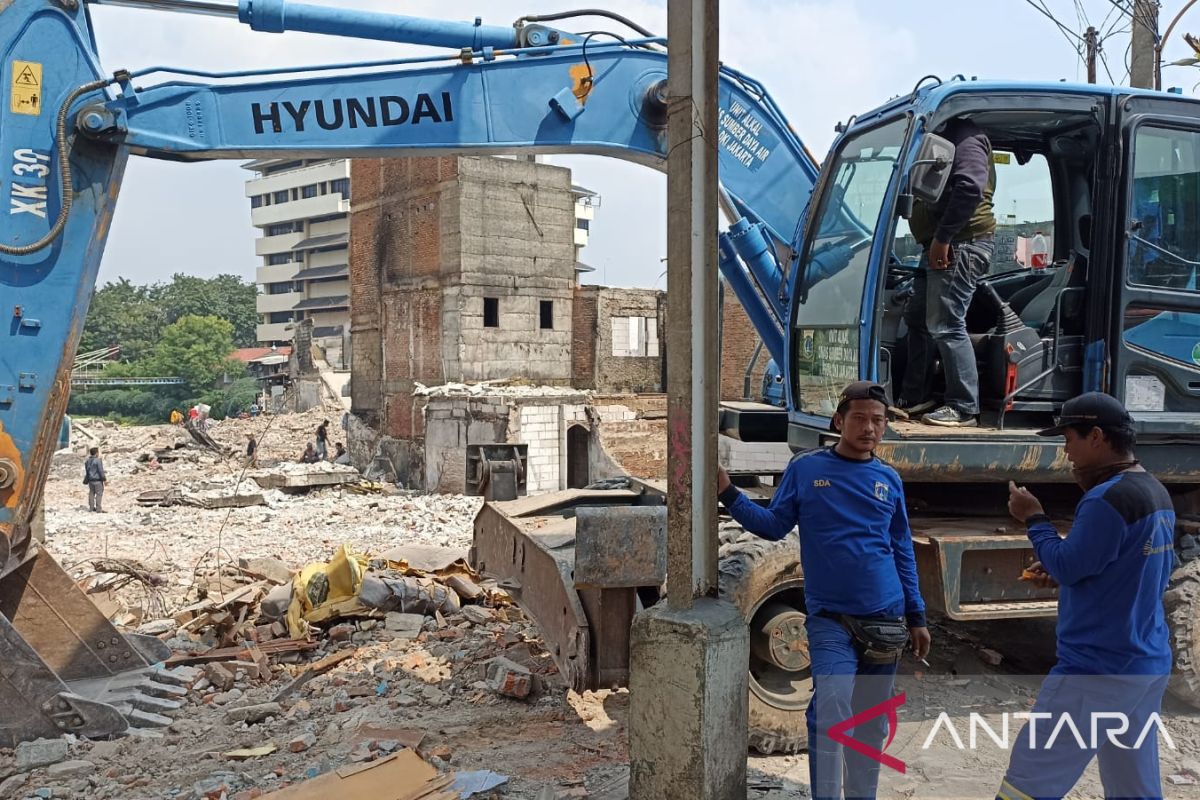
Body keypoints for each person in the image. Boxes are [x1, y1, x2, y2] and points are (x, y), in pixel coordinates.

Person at [717, 381, 930, 800]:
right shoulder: (807, 469)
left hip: (886, 620)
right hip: (831, 619)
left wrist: (917, 615)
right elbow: (774, 525)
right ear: (838, 421)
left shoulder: (888, 479)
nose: (869, 428)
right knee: (831, 705)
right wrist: (728, 492)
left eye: (877, 420)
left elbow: (902, 549)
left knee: (870, 721)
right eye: (859, 418)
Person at [996, 392, 1174, 800]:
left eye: (1069, 438)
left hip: (1097, 670)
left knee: (1030, 780)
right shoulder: (1153, 491)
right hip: (1144, 665)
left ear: (1095, 436)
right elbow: (1125, 568)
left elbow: (1070, 564)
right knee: (1133, 785)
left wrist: (1034, 517)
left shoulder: (1106, 499)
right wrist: (1063, 575)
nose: (1065, 450)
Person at [900, 116, 997, 428]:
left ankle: (964, 407)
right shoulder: (938, 141)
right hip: (941, 245)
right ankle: (917, 396)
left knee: (946, 323)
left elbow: (969, 187)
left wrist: (942, 239)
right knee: (917, 319)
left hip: (960, 245)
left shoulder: (963, 136)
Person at [84, 446, 107, 513]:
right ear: (96, 453)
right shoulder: (98, 460)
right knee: (99, 494)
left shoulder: (87, 461)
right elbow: (100, 471)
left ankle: (91, 508)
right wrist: (104, 479)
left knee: (91, 493)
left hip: (90, 480)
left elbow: (87, 472)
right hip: (98, 480)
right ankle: (98, 509)